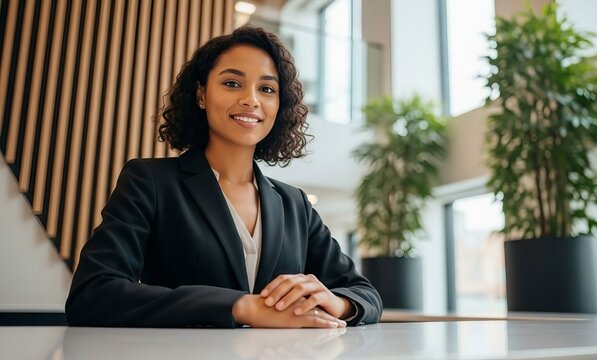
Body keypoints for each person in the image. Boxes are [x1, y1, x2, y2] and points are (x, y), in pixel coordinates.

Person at [65, 26, 382, 328]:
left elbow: (364, 293)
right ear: (201, 94)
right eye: (232, 83)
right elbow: (92, 294)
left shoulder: (294, 204)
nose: (251, 100)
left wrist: (335, 302)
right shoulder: (150, 181)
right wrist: (241, 306)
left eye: (267, 89)